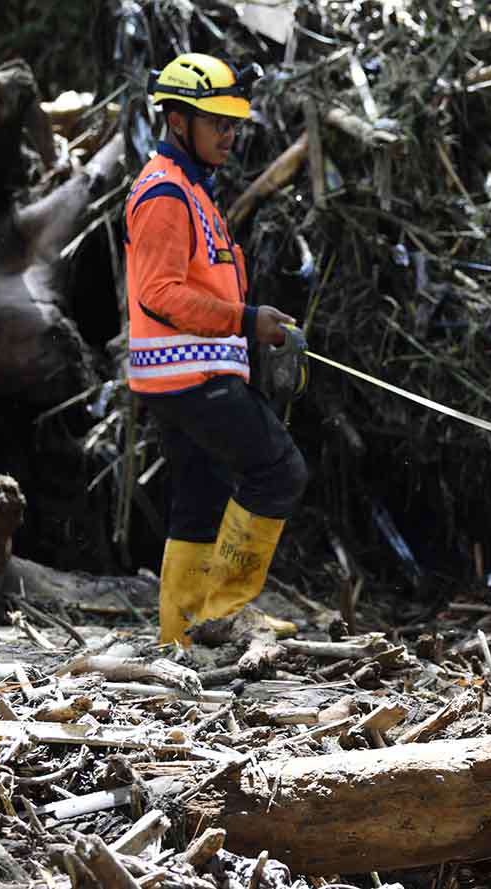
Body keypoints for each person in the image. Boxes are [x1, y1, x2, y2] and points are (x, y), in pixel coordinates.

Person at [124, 52, 307, 644]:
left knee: (199, 499)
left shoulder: (189, 188)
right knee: (278, 471)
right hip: (191, 378)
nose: (230, 134)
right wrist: (247, 321)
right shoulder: (165, 195)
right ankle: (225, 615)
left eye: (233, 123)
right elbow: (159, 294)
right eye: (217, 123)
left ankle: (180, 635)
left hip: (182, 376)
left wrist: (250, 329)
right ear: (178, 122)